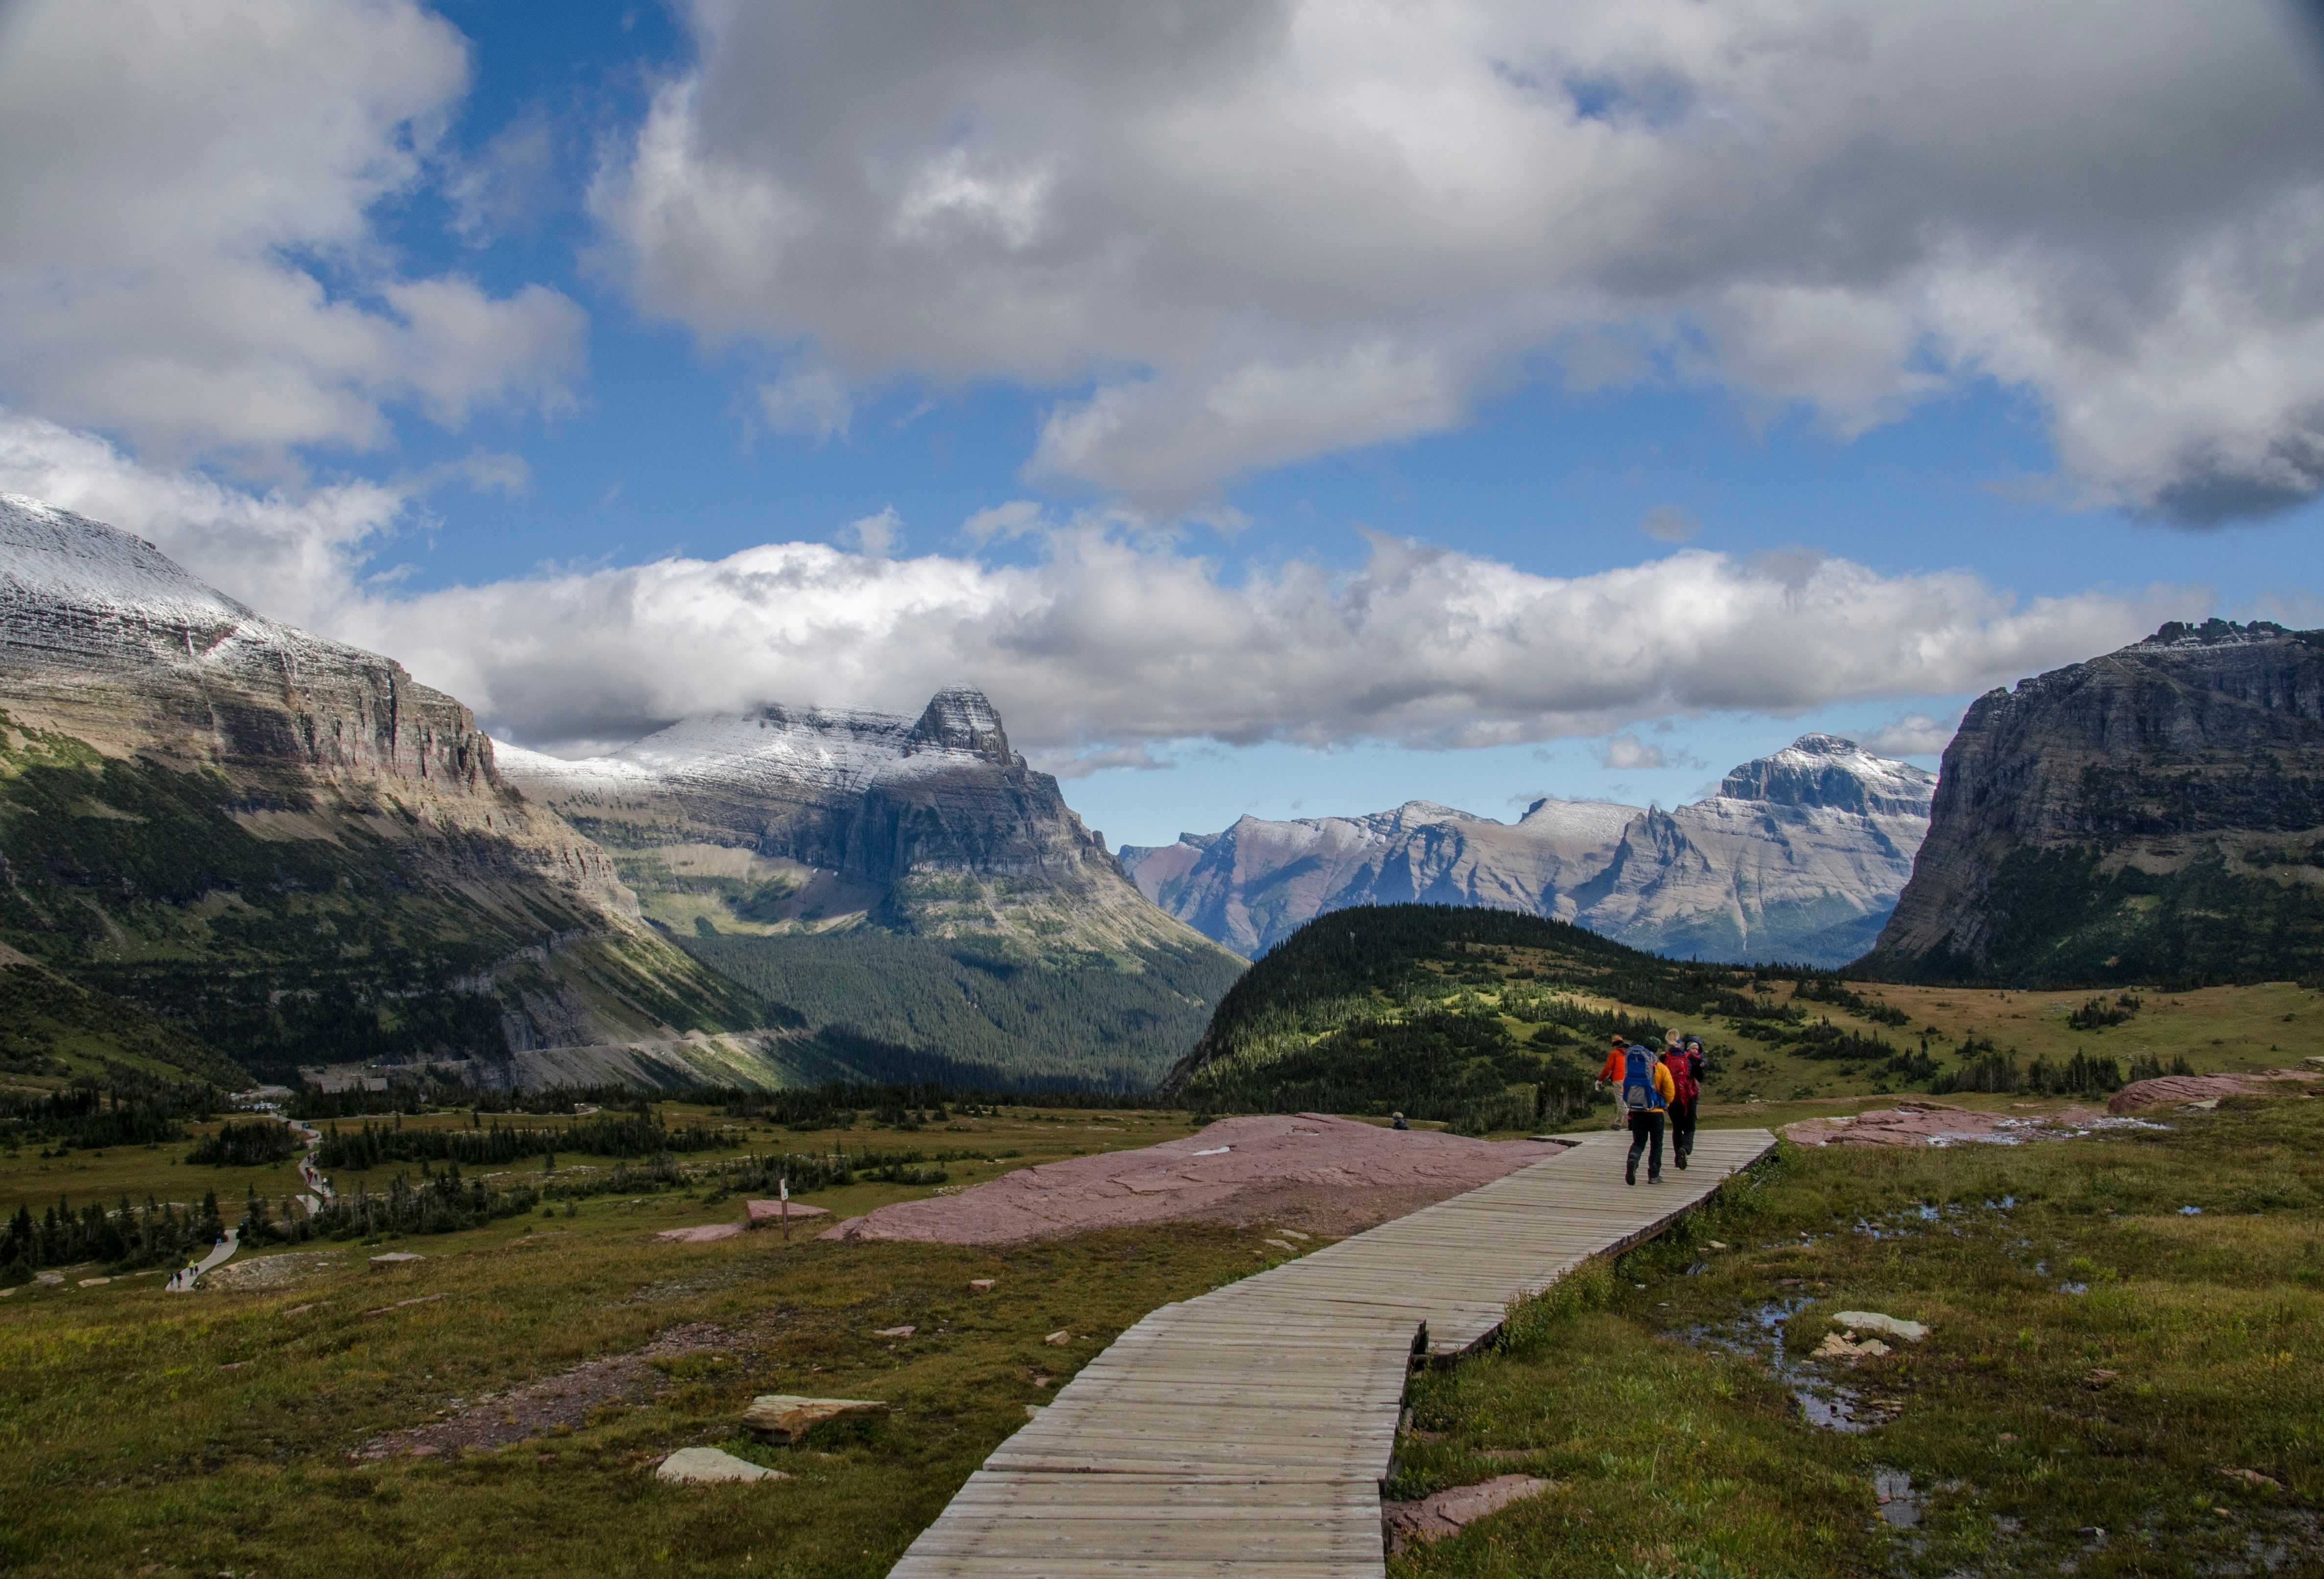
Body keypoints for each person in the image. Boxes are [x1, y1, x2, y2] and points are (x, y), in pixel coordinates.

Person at [1599, 1034, 1674, 1185]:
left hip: (1637, 1111)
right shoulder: (1661, 1068)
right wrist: (1665, 1104)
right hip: (1655, 1112)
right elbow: (1670, 1091)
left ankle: (1633, 1160)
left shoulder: (1633, 1067)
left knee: (1639, 1142)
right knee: (1657, 1143)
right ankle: (1654, 1175)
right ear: (1656, 1050)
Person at [1661, 1036, 1700, 1170]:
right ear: (1680, 1043)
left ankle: (1678, 1157)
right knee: (1689, 1128)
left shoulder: (1663, 1058)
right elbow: (1700, 1076)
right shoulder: (1690, 1057)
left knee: (1677, 1128)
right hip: (1688, 1098)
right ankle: (1685, 1149)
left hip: (1672, 1099)